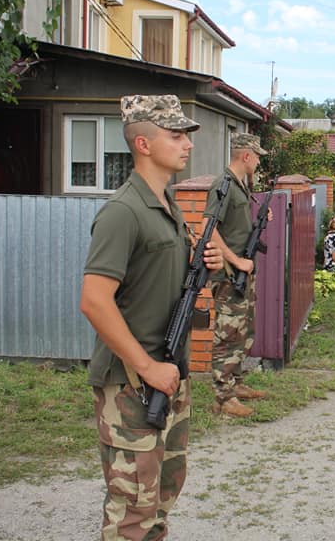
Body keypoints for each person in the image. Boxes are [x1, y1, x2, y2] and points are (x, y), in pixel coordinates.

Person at [80, 94, 224, 540]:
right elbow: (94, 300)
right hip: (132, 384)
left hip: (168, 375)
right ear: (143, 143)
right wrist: (147, 367)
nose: (187, 145)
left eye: (186, 136)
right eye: (176, 135)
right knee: (132, 510)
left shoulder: (169, 208)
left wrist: (210, 265)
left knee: (161, 497)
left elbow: (166, 288)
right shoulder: (124, 212)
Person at [204, 131, 273, 419]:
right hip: (229, 274)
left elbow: (235, 225)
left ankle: (237, 383)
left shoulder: (240, 186)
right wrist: (237, 262)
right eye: (256, 156)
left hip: (241, 274)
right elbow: (210, 227)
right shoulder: (223, 185)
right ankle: (223, 397)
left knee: (243, 331)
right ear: (246, 156)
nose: (258, 162)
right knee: (227, 334)